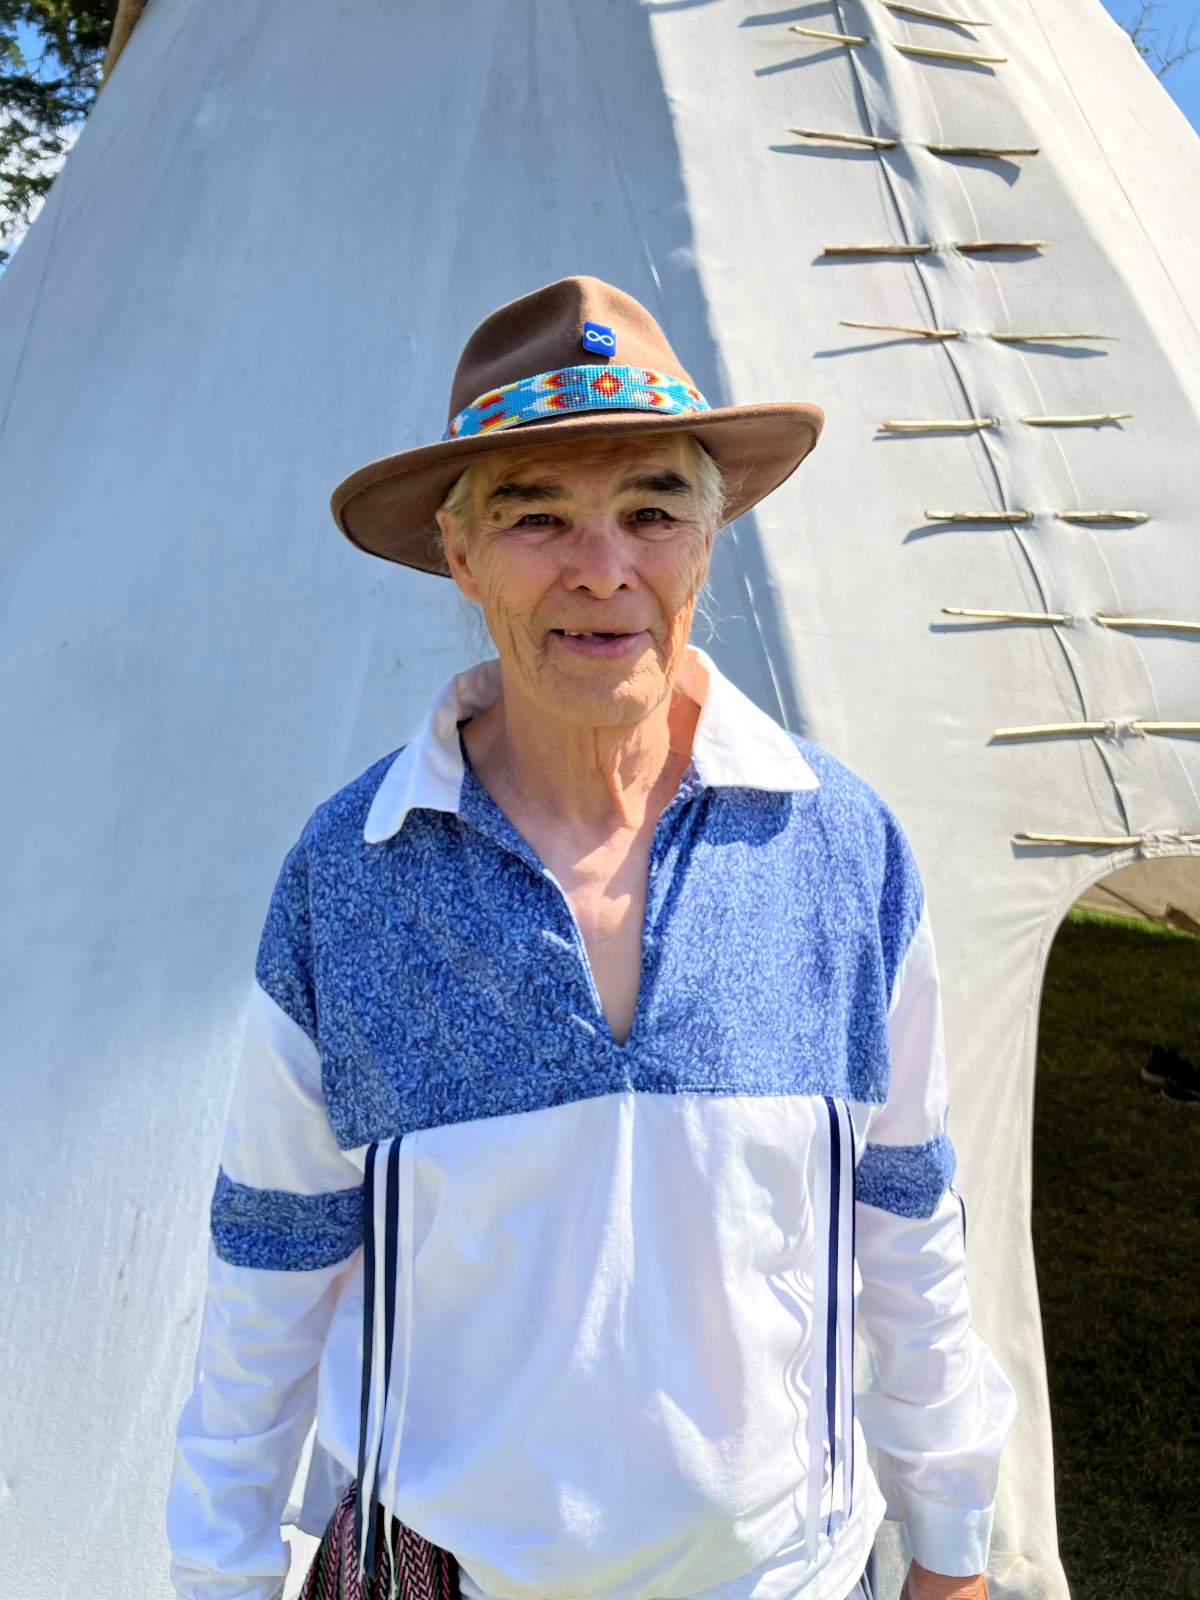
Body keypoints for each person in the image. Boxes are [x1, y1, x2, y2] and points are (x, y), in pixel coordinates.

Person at [166, 275, 1017, 1600]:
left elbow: (906, 1227)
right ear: (458, 556)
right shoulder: (351, 880)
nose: (603, 567)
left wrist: (955, 1550)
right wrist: (217, 1577)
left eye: (652, 510)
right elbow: (270, 1267)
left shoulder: (844, 857)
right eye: (536, 517)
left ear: (712, 535)